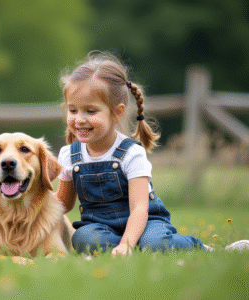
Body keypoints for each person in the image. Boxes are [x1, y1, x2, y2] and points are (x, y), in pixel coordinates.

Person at [55, 51, 248, 256]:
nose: (79, 119)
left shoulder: (131, 153)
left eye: (91, 111)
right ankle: (123, 250)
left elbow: (139, 207)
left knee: (155, 243)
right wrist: (29, 212)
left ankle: (203, 249)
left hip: (147, 222)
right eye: (73, 110)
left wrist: (127, 243)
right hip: (100, 225)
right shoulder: (69, 155)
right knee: (84, 239)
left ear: (117, 112)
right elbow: (62, 204)